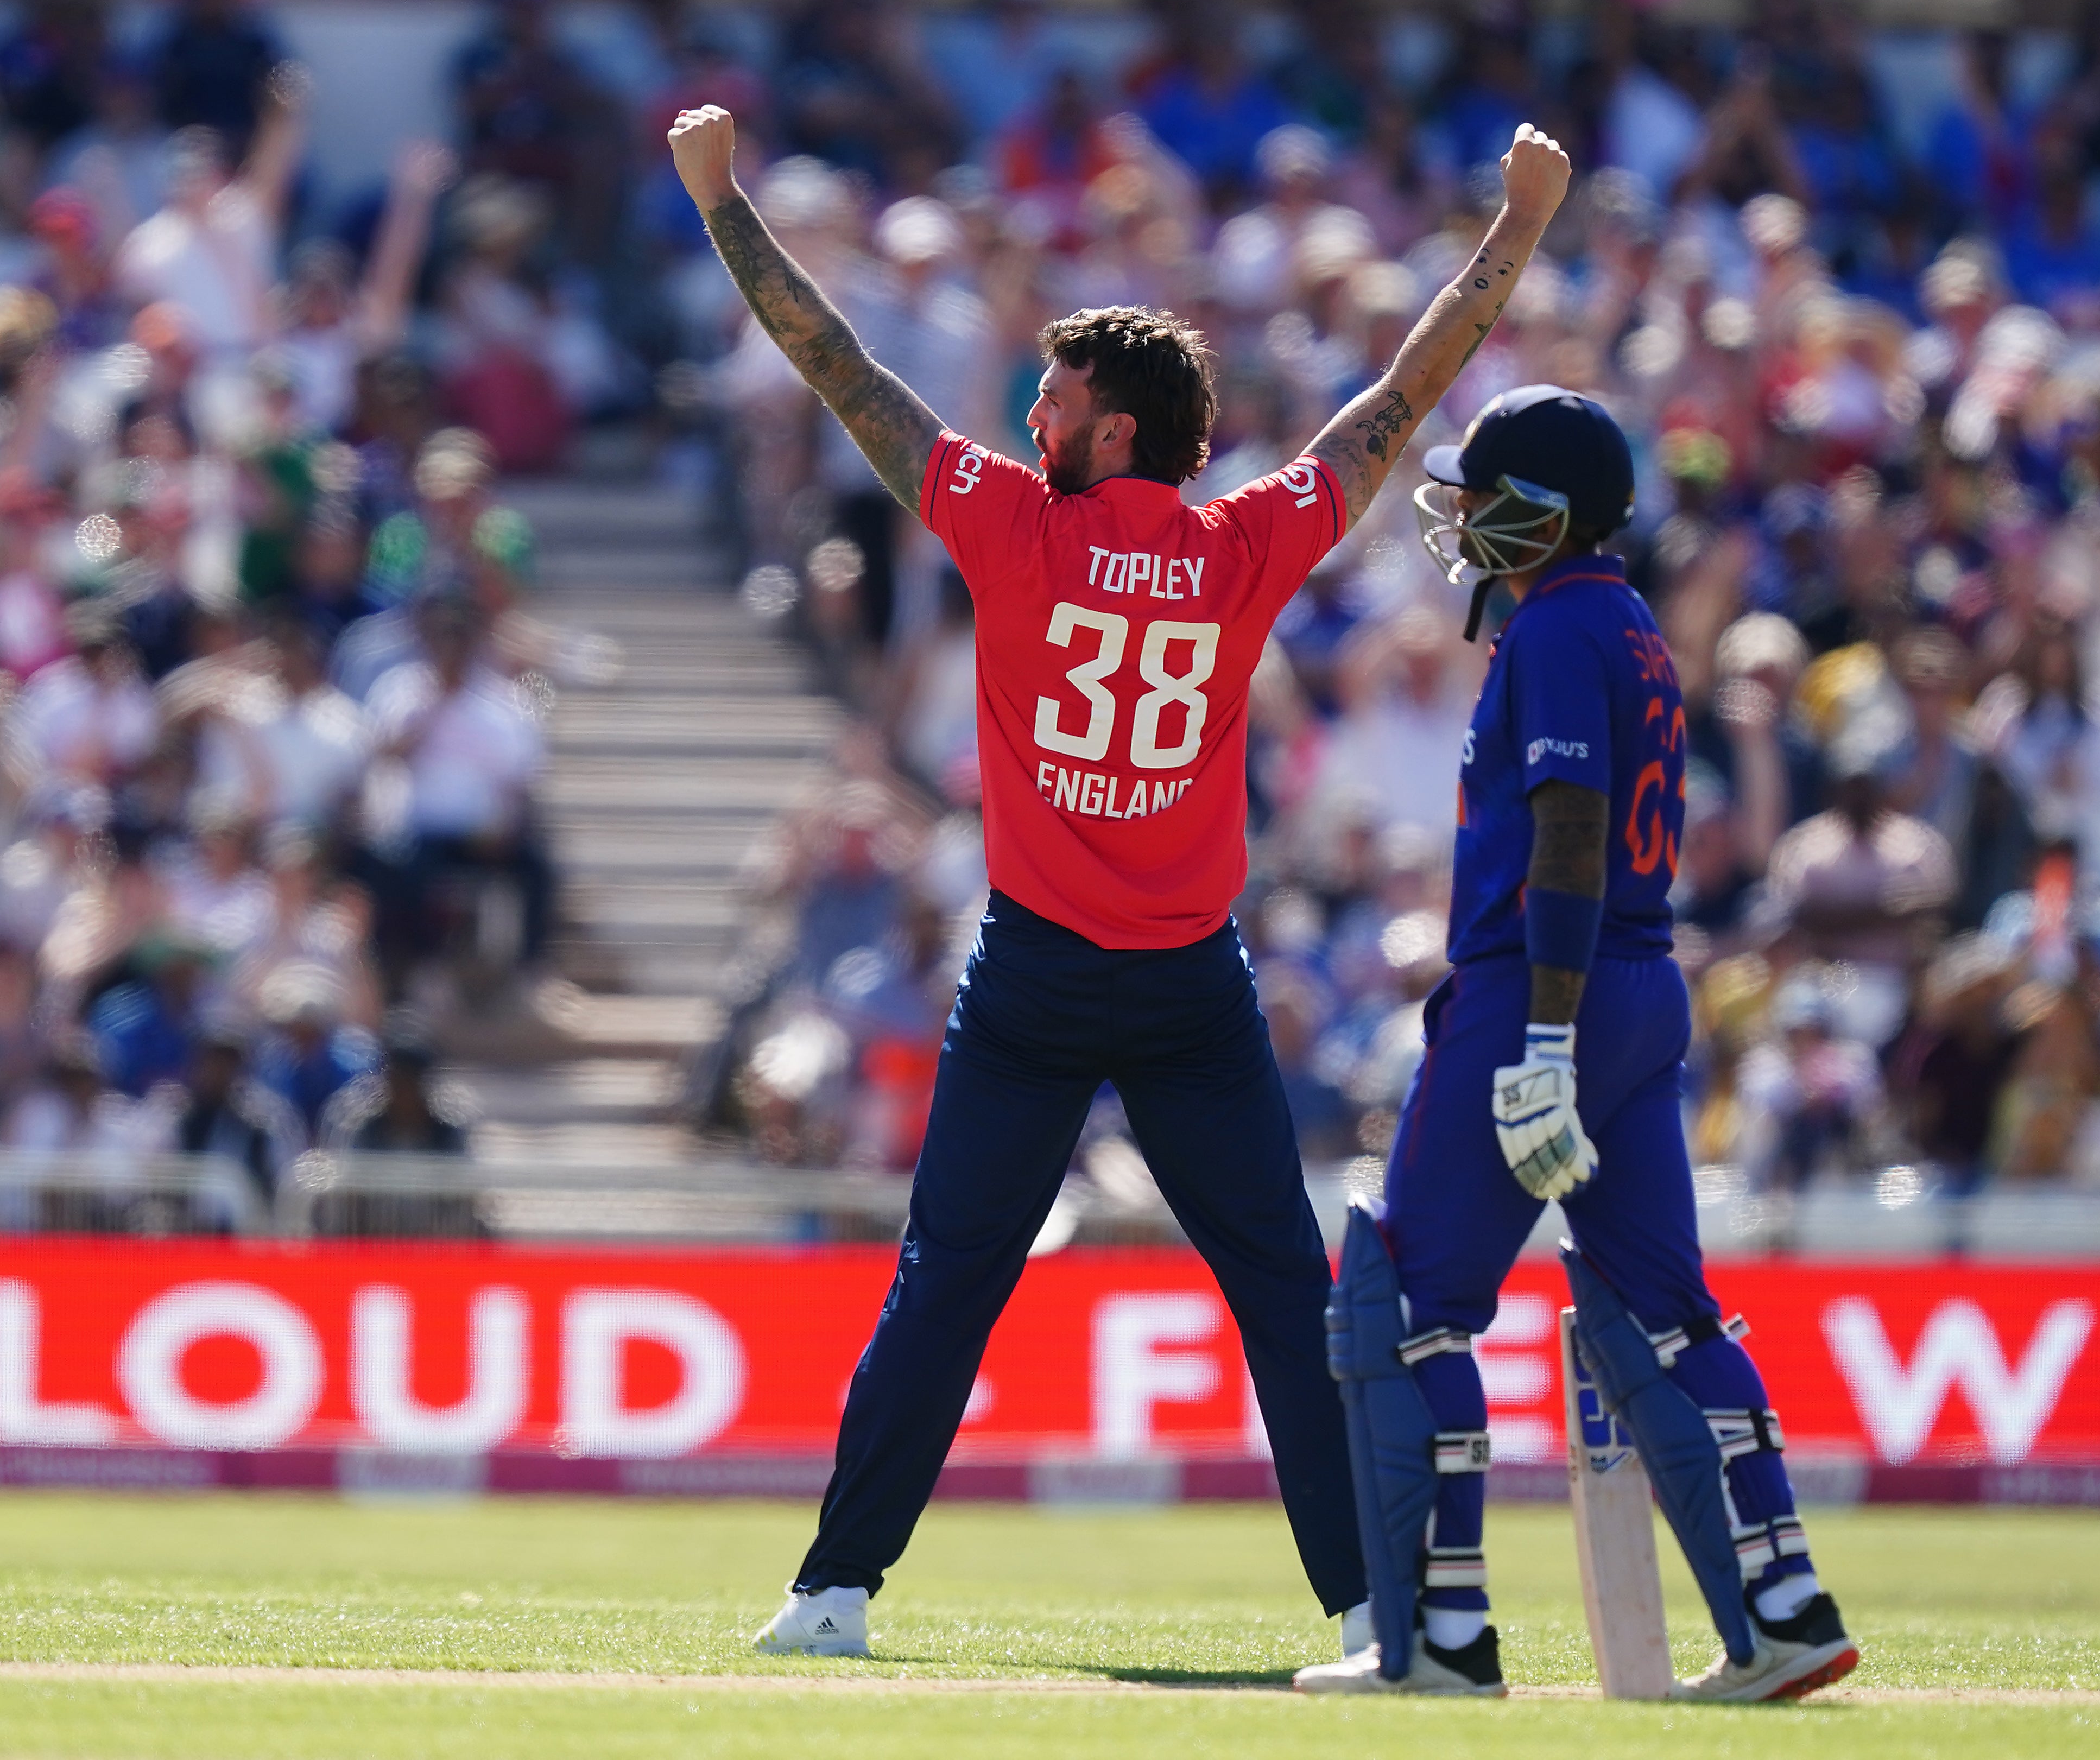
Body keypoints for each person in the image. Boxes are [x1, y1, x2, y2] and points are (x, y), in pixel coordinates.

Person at [666, 100, 1577, 1663]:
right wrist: (1514, 231)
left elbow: (836, 369)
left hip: (1030, 977)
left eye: (1055, 393)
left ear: (1107, 435)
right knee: (1285, 1295)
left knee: (945, 1284)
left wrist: (719, 201)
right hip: (1185, 982)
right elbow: (1401, 395)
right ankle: (1370, 1608)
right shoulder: (1241, 548)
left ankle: (833, 1593)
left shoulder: (1010, 526)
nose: (1031, 406)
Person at [1294, 388, 1859, 1700]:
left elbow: (1567, 834)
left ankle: (1437, 1638)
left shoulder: (1553, 628)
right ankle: (1782, 1606)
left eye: (1486, 497)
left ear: (1543, 510)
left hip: (1540, 986)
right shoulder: (1633, 623)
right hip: (1645, 984)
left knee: (1404, 1305)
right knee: (1660, 1312)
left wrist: (1542, 1035)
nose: (1467, 519)